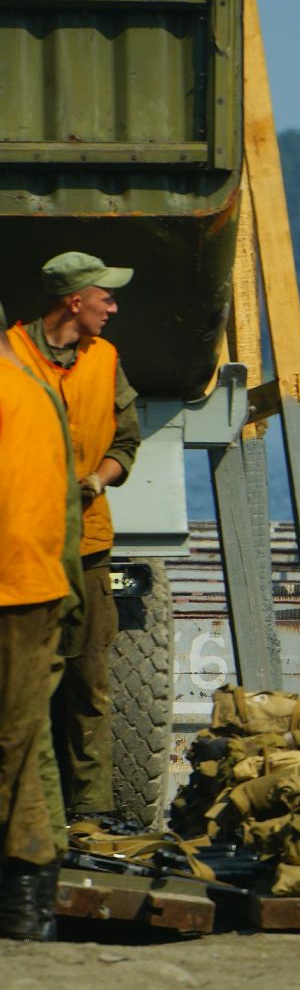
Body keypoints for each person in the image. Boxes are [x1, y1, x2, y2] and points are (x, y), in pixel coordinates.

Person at [7, 251, 140, 820]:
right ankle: (29, 816)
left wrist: (95, 480)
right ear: (73, 301)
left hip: (87, 545)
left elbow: (126, 444)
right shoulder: (11, 356)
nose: (112, 305)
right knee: (24, 692)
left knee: (89, 685)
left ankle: (90, 815)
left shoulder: (106, 358)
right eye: (104, 296)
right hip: (23, 549)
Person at [0, 302, 79, 942]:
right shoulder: (35, 395)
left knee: (11, 747)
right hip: (40, 589)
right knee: (19, 743)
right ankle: (27, 904)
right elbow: (65, 510)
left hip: (9, 589)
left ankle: (27, 899)